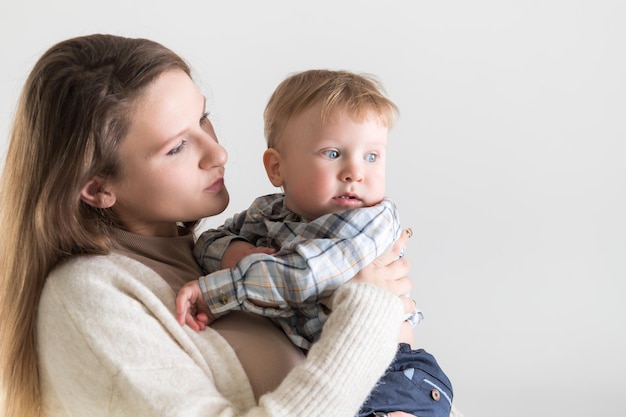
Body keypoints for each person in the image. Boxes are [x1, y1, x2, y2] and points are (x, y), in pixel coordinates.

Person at [0, 34, 423, 417]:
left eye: (203, 118)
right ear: (98, 188)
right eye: (177, 147)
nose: (218, 152)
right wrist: (368, 312)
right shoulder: (88, 296)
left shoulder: (213, 252)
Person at [176, 70, 457, 417]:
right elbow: (208, 240)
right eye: (333, 153)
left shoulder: (372, 221)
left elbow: (307, 274)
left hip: (391, 371)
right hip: (323, 375)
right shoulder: (266, 212)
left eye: (372, 156)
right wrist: (239, 252)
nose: (356, 171)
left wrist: (218, 291)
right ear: (277, 168)